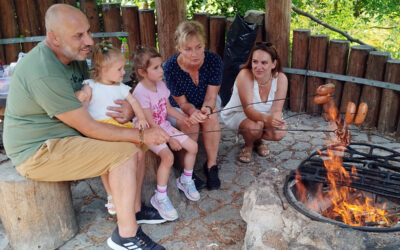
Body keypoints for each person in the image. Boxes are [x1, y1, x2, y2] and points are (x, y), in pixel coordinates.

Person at [3, 4, 168, 249]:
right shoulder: (42, 70)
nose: (89, 40)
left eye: (88, 32)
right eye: (78, 35)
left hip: (66, 136)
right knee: (126, 153)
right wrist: (143, 133)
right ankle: (126, 235)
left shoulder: (74, 58)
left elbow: (95, 100)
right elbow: (89, 126)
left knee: (134, 146)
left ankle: (132, 210)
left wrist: (128, 110)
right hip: (38, 151)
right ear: (53, 37)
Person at [75, 41, 149, 216]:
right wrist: (81, 97)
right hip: (100, 129)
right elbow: (83, 101)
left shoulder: (121, 88)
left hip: (120, 127)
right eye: (120, 69)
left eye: (123, 68)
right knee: (107, 163)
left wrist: (142, 117)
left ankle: (130, 198)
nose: (124, 73)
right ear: (103, 69)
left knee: (138, 154)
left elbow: (134, 102)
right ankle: (111, 195)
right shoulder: (91, 85)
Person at [131, 46, 200, 221]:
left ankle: (185, 180)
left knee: (193, 146)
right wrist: (170, 140)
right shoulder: (140, 92)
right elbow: (151, 123)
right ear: (142, 72)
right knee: (168, 157)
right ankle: (160, 197)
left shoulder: (160, 85)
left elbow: (168, 108)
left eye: (161, 66)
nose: (162, 70)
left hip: (163, 126)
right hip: (148, 131)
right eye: (156, 68)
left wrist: (184, 118)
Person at [163, 21, 222, 190]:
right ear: (179, 47)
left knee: (211, 118)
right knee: (190, 123)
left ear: (204, 44)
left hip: (207, 101)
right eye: (188, 49)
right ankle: (186, 170)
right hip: (180, 106)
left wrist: (207, 109)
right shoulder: (170, 67)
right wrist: (193, 112)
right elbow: (182, 103)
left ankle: (211, 165)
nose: (194, 54)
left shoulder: (214, 60)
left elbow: (211, 96)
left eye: (198, 47)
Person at [221, 42, 288, 163]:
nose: (258, 66)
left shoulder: (281, 78)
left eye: (264, 63)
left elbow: (277, 110)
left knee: (279, 132)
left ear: (274, 64)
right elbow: (248, 110)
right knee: (254, 127)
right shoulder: (245, 75)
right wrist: (267, 120)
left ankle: (257, 139)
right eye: (255, 61)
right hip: (238, 113)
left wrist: (277, 121)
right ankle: (249, 145)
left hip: (264, 117)